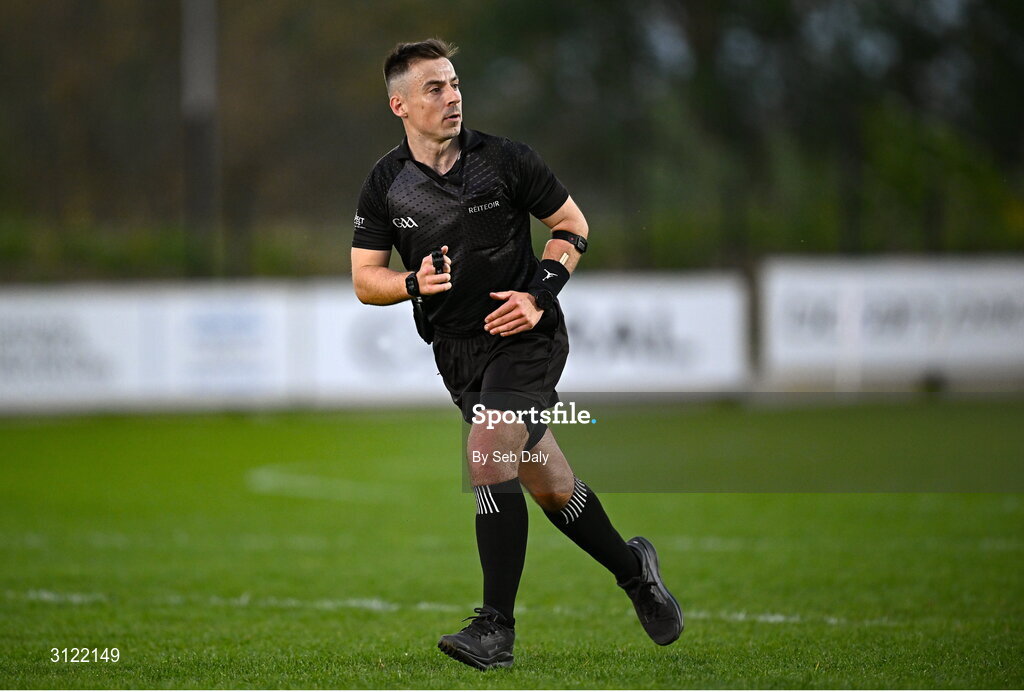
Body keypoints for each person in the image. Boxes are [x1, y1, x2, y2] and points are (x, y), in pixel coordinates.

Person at [351, 38, 683, 671]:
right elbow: (367, 279)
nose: (451, 97)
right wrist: (412, 284)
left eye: (453, 84)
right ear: (399, 104)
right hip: (456, 352)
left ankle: (494, 627)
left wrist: (538, 295)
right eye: (433, 89)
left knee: (487, 450)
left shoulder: (504, 160)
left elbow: (573, 227)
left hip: (526, 337)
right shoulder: (385, 183)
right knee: (549, 484)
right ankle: (634, 569)